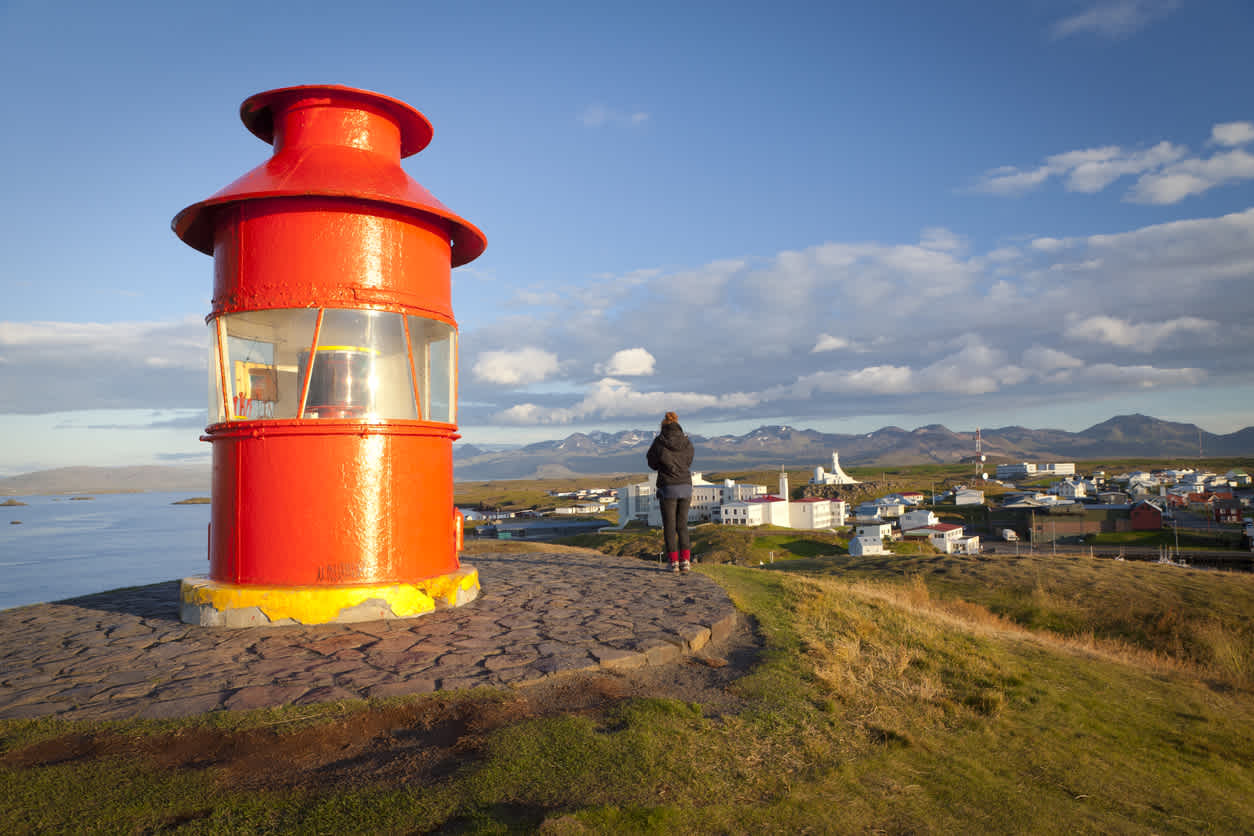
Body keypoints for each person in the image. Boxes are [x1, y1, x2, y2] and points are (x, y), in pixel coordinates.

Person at [647, 411, 695, 573]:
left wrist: (663, 466)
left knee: (669, 526)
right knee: (682, 525)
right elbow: (689, 461)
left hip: (668, 487)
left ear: (663, 425)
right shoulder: (687, 442)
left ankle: (673, 562)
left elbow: (651, 462)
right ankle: (686, 561)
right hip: (685, 485)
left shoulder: (659, 442)